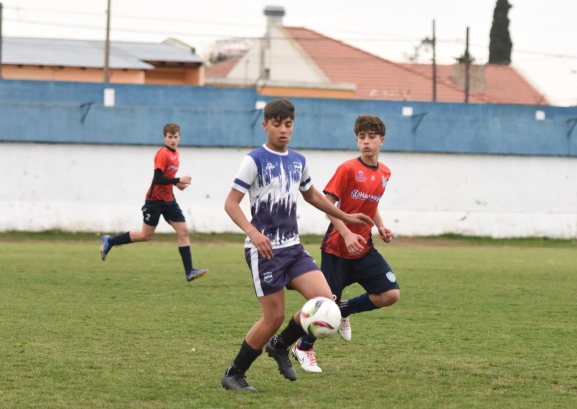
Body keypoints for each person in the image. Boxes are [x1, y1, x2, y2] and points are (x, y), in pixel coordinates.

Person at [220, 98, 374, 393]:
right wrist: (253, 233)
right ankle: (234, 373)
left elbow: (313, 195)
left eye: (288, 125)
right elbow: (231, 203)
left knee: (326, 301)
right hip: (264, 251)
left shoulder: (298, 161)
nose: (283, 130)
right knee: (274, 316)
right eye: (276, 124)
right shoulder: (254, 160)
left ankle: (280, 346)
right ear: (265, 125)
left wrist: (346, 215)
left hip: (292, 248)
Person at [291, 114, 400, 373]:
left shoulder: (385, 173)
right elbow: (328, 206)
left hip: (364, 247)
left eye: (371, 137)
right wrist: (347, 234)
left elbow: (371, 206)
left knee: (390, 294)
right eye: (361, 137)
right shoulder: (347, 169)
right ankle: (303, 348)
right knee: (324, 305)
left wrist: (381, 225)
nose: (366, 142)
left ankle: (344, 310)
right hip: (337, 248)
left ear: (381, 140)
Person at [100, 123, 208, 283]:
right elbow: (158, 178)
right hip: (154, 200)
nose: (173, 140)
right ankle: (110, 241)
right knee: (145, 235)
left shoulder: (176, 154)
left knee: (184, 231)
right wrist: (178, 179)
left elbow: (166, 177)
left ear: (179, 137)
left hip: (169, 199)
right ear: (164, 137)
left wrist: (177, 184)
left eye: (176, 137)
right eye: (170, 137)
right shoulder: (162, 154)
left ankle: (189, 271)